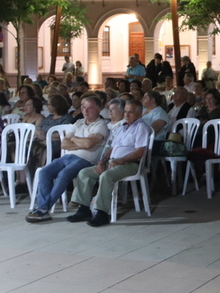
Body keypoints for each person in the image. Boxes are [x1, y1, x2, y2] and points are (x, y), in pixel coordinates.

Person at [64, 99, 153, 227]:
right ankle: (83, 209)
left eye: (131, 112)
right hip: (113, 162)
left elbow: (140, 152)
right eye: (125, 112)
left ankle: (102, 213)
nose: (126, 115)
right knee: (84, 173)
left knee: (106, 176)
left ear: (139, 113)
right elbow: (111, 148)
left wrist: (121, 160)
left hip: (131, 164)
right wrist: (102, 161)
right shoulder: (122, 128)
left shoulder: (141, 128)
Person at [26, 96, 110, 223]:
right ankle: (43, 208)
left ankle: (42, 209)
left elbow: (88, 145)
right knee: (44, 172)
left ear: (99, 109)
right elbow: (64, 144)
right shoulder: (78, 122)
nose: (85, 111)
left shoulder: (101, 125)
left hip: (85, 160)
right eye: (83, 107)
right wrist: (82, 141)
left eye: (90, 108)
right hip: (68, 156)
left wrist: (75, 139)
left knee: (63, 174)